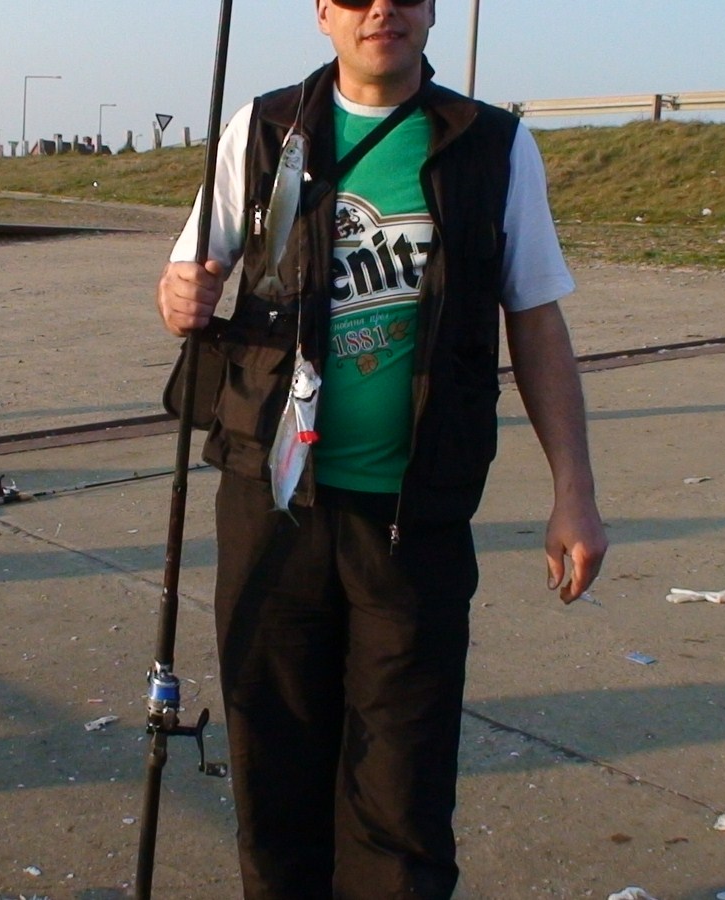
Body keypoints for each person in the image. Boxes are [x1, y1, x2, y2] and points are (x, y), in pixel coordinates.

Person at [154, 1, 607, 896]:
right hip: (270, 506)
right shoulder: (264, 129)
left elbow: (536, 319)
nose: (382, 10)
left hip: (415, 516)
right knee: (274, 774)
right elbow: (188, 276)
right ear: (324, 12)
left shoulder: (493, 146)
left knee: (402, 791)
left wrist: (575, 492)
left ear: (431, 9)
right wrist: (179, 296)